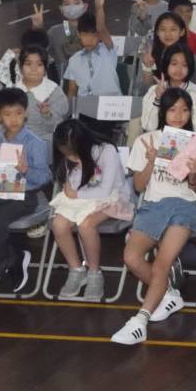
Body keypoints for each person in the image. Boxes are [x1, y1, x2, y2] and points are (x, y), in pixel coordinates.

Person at [113, 87, 196, 344]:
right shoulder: (147, 140)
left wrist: (194, 172)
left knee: (162, 264)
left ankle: (140, 320)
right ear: (163, 111)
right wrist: (151, 161)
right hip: (153, 205)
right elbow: (138, 186)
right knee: (131, 258)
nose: (179, 115)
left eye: (185, 110)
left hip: (184, 205)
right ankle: (168, 294)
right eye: (173, 109)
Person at [0, 87, 52, 294]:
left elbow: (45, 177)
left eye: (18, 113)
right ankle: (13, 257)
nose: (14, 119)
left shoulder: (35, 144)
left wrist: (26, 171)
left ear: (26, 113)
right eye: (7, 114)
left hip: (24, 196)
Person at [48, 119, 135, 301]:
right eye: (65, 153)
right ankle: (76, 270)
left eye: (72, 152)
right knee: (58, 224)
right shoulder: (68, 155)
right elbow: (72, 186)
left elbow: (105, 190)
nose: (70, 157)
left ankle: (95, 273)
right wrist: (73, 190)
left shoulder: (106, 151)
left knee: (86, 225)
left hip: (113, 198)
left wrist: (76, 194)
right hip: (82, 197)